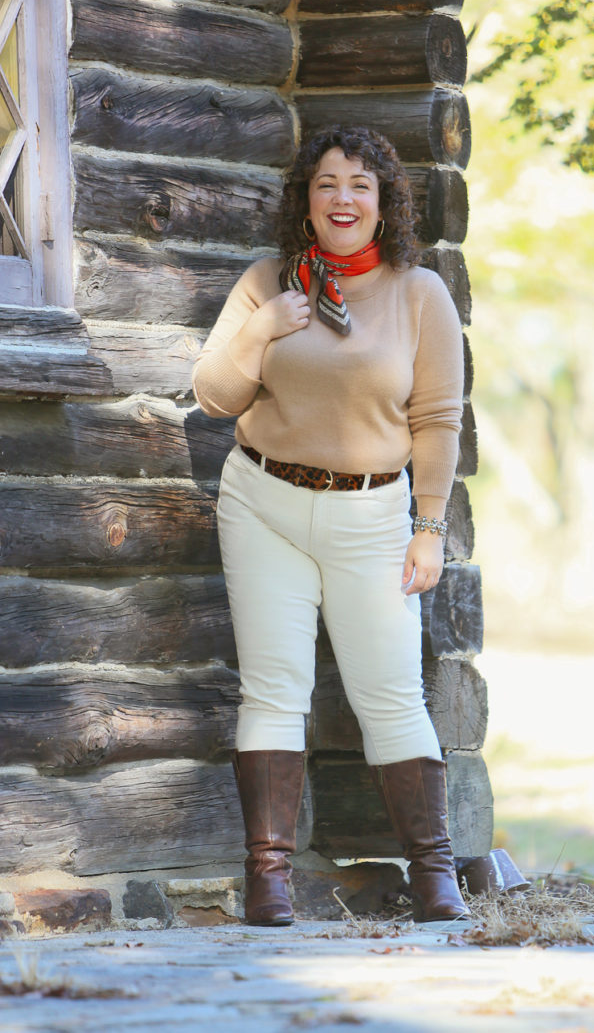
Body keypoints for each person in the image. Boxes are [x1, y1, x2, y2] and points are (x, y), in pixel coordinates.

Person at [191, 124, 469, 927]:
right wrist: (260, 328)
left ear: (384, 205)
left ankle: (434, 873)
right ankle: (268, 878)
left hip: (374, 514)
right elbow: (214, 395)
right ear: (304, 200)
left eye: (360, 186)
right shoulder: (267, 284)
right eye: (327, 184)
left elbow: (438, 420)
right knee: (274, 687)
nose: (342, 198)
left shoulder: (419, 293)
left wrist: (428, 526)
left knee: (390, 691)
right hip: (263, 503)